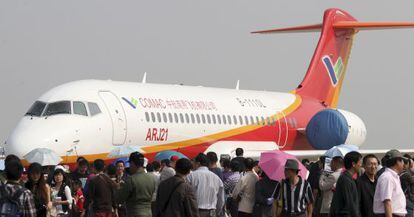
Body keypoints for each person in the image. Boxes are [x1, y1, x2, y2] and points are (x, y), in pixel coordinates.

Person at [117, 152, 156, 217]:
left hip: (134, 213)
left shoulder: (131, 180)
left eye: (130, 164)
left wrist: (119, 187)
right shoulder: (152, 178)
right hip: (149, 213)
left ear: (132, 163)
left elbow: (119, 199)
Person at [374, 149, 407, 217]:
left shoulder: (392, 176)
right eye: (402, 161)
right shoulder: (387, 177)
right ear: (398, 161)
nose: (404, 164)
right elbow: (387, 202)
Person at [329, 151, 362, 217]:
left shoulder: (348, 178)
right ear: (353, 164)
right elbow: (350, 203)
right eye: (360, 162)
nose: (361, 165)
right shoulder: (345, 179)